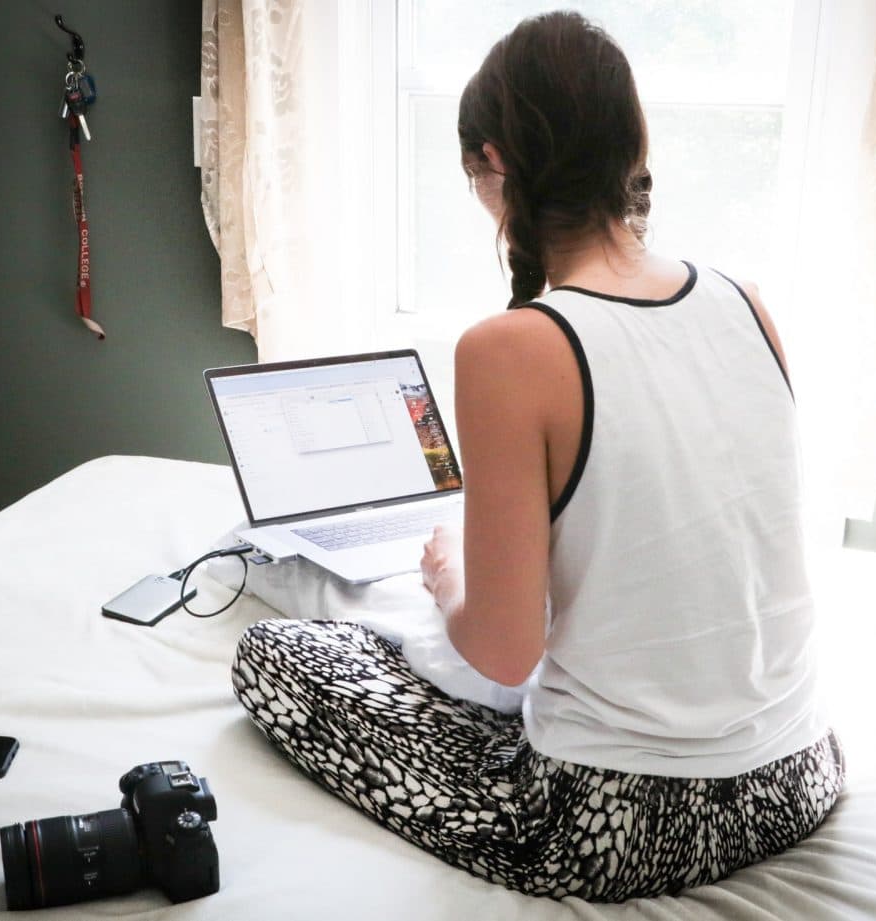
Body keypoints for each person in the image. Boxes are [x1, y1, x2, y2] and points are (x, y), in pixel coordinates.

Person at [232, 10, 844, 902]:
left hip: (624, 821)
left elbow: (503, 653)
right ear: (631, 143)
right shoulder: (744, 299)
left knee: (275, 655)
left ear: (492, 166)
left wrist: (446, 578)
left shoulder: (509, 349)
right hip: (801, 774)